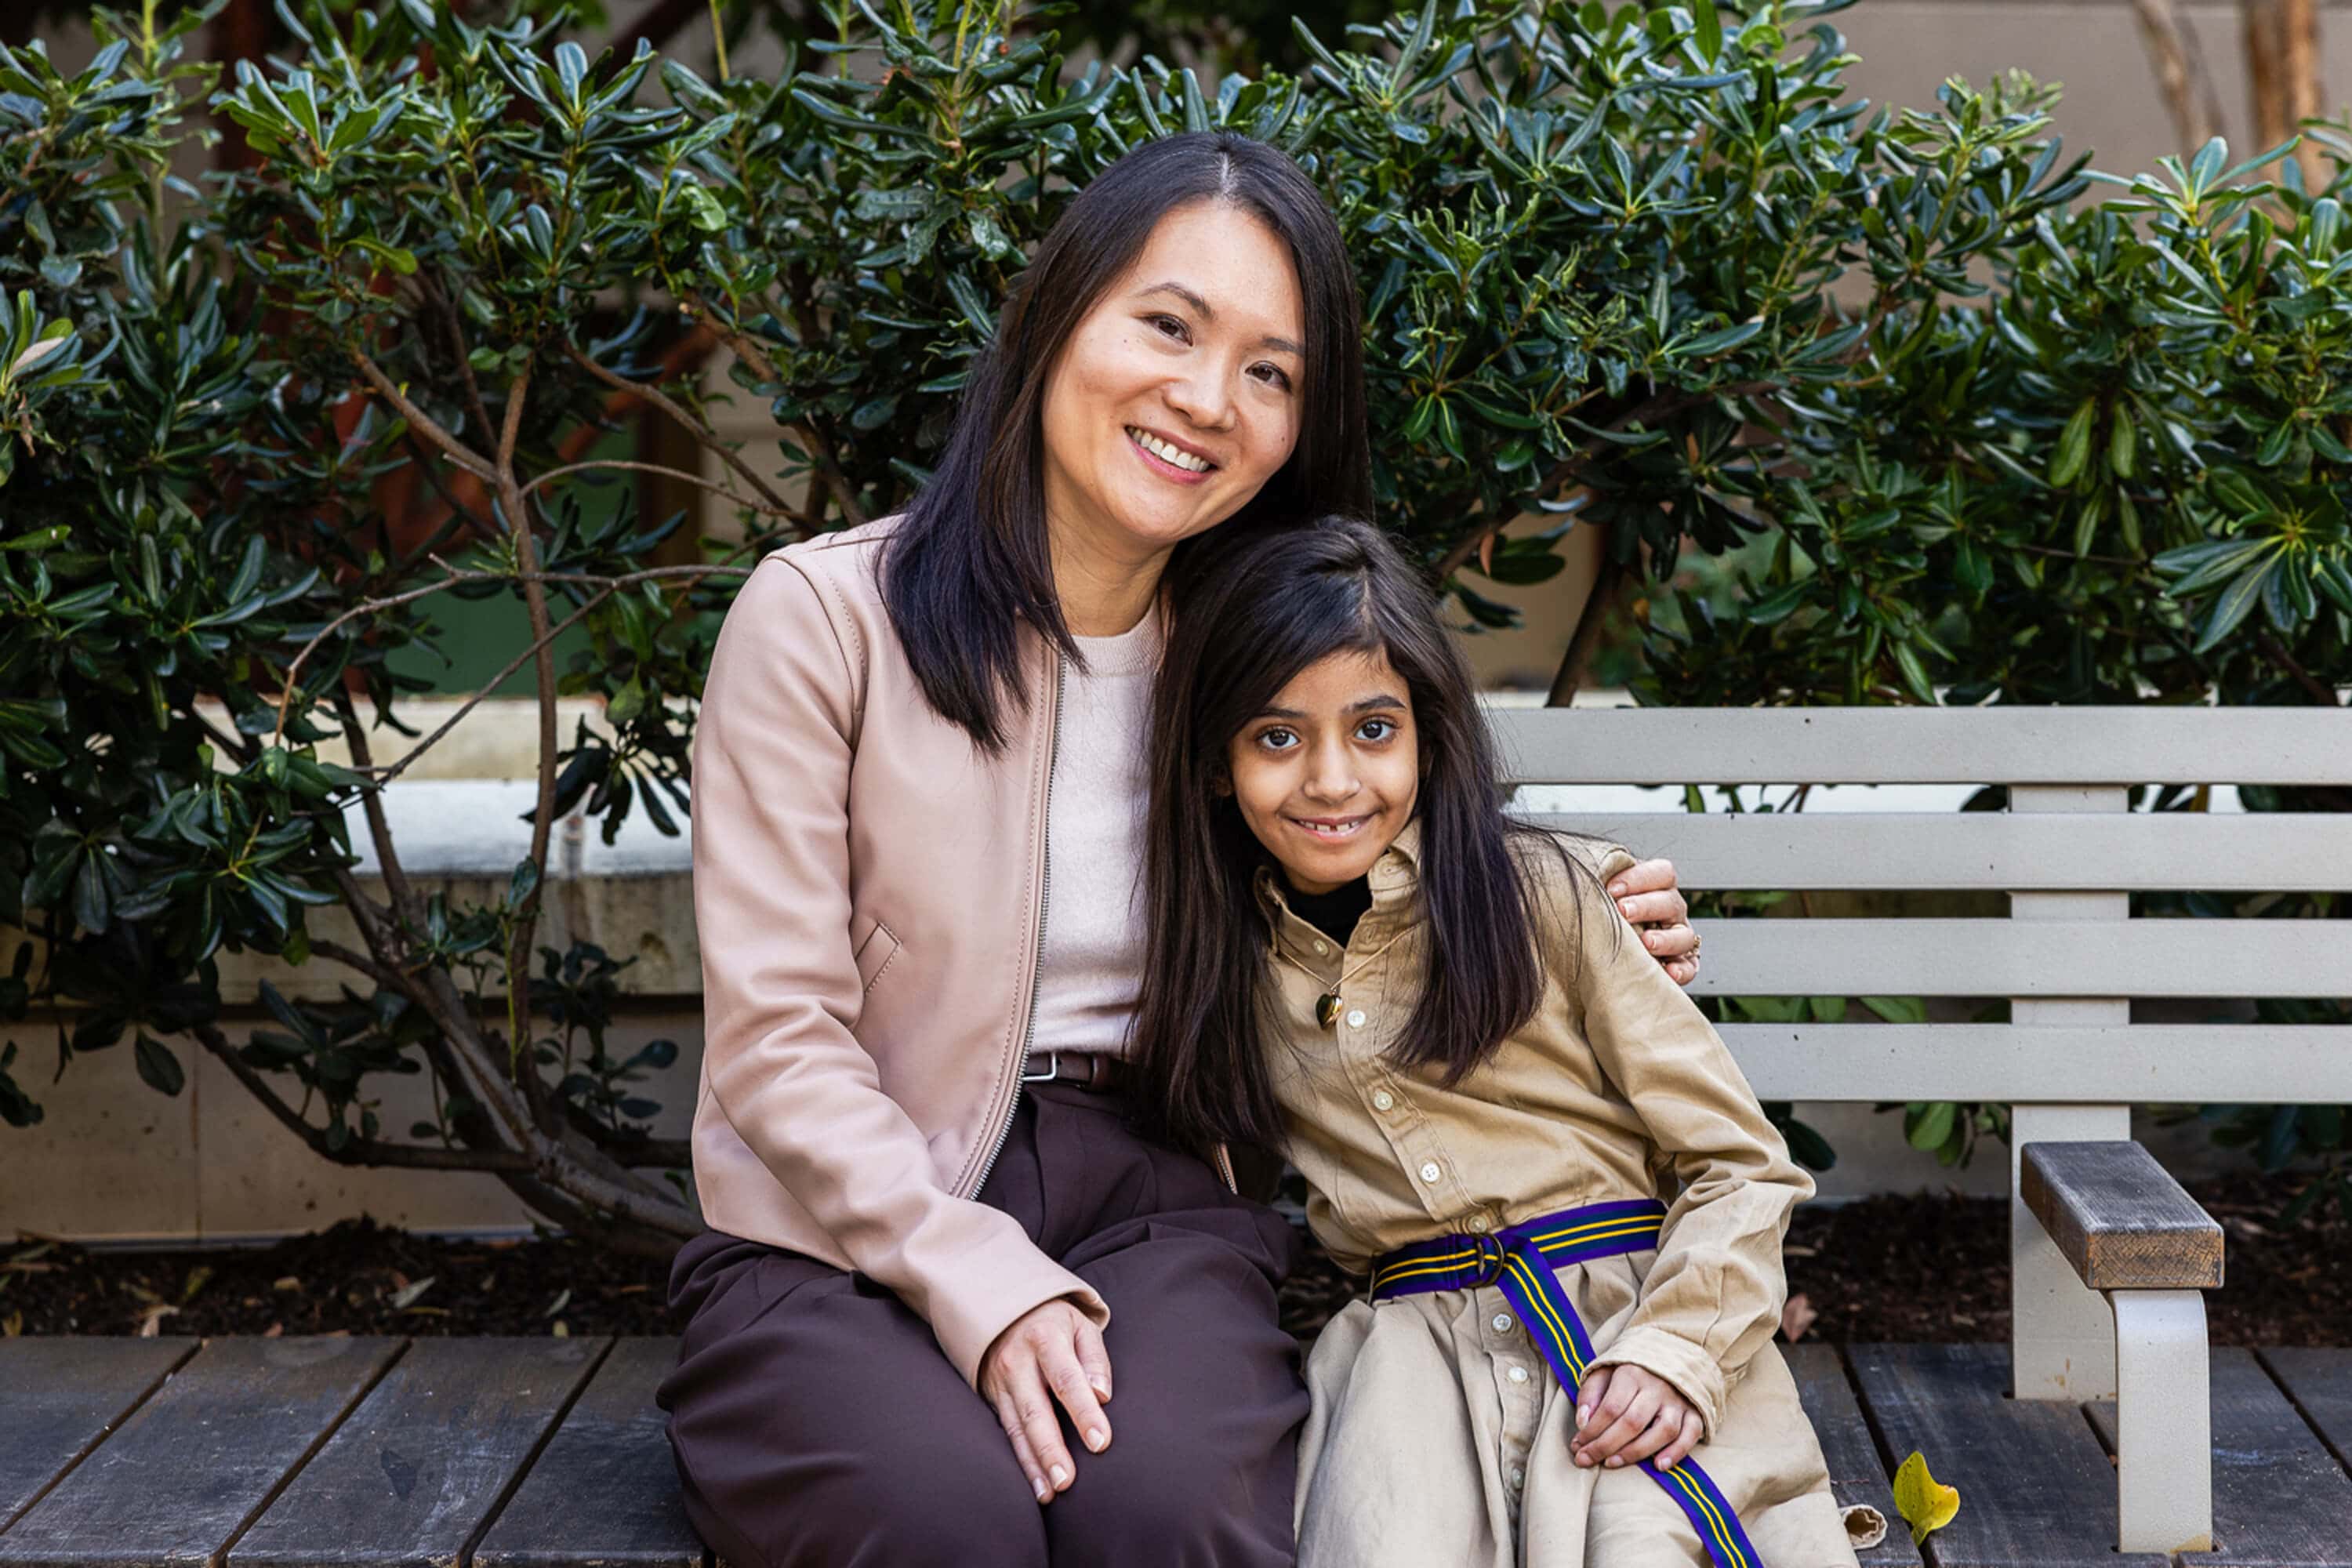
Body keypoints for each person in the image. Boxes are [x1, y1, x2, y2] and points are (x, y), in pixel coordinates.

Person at [659, 131, 1700, 1566]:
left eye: (1270, 372)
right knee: (937, 1516)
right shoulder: (827, 621)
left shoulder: (1248, 663)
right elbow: (774, 1039)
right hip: (834, 1217)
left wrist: (1572, 912)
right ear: (1055, 320)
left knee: (1174, 1513)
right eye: (1168, 325)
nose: (1206, 400)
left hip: (1155, 1199)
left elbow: (1378, 834)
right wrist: (975, 1275)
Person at [1129, 514, 1857, 1567]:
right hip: (1407, 1358)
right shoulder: (1225, 969)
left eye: (1373, 730)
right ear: (1213, 763)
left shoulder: (1546, 898)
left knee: (1643, 1542)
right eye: (1277, 737)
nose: (1332, 780)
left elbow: (1741, 1166)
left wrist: (1675, 1351)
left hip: (1623, 1318)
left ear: (1427, 730)